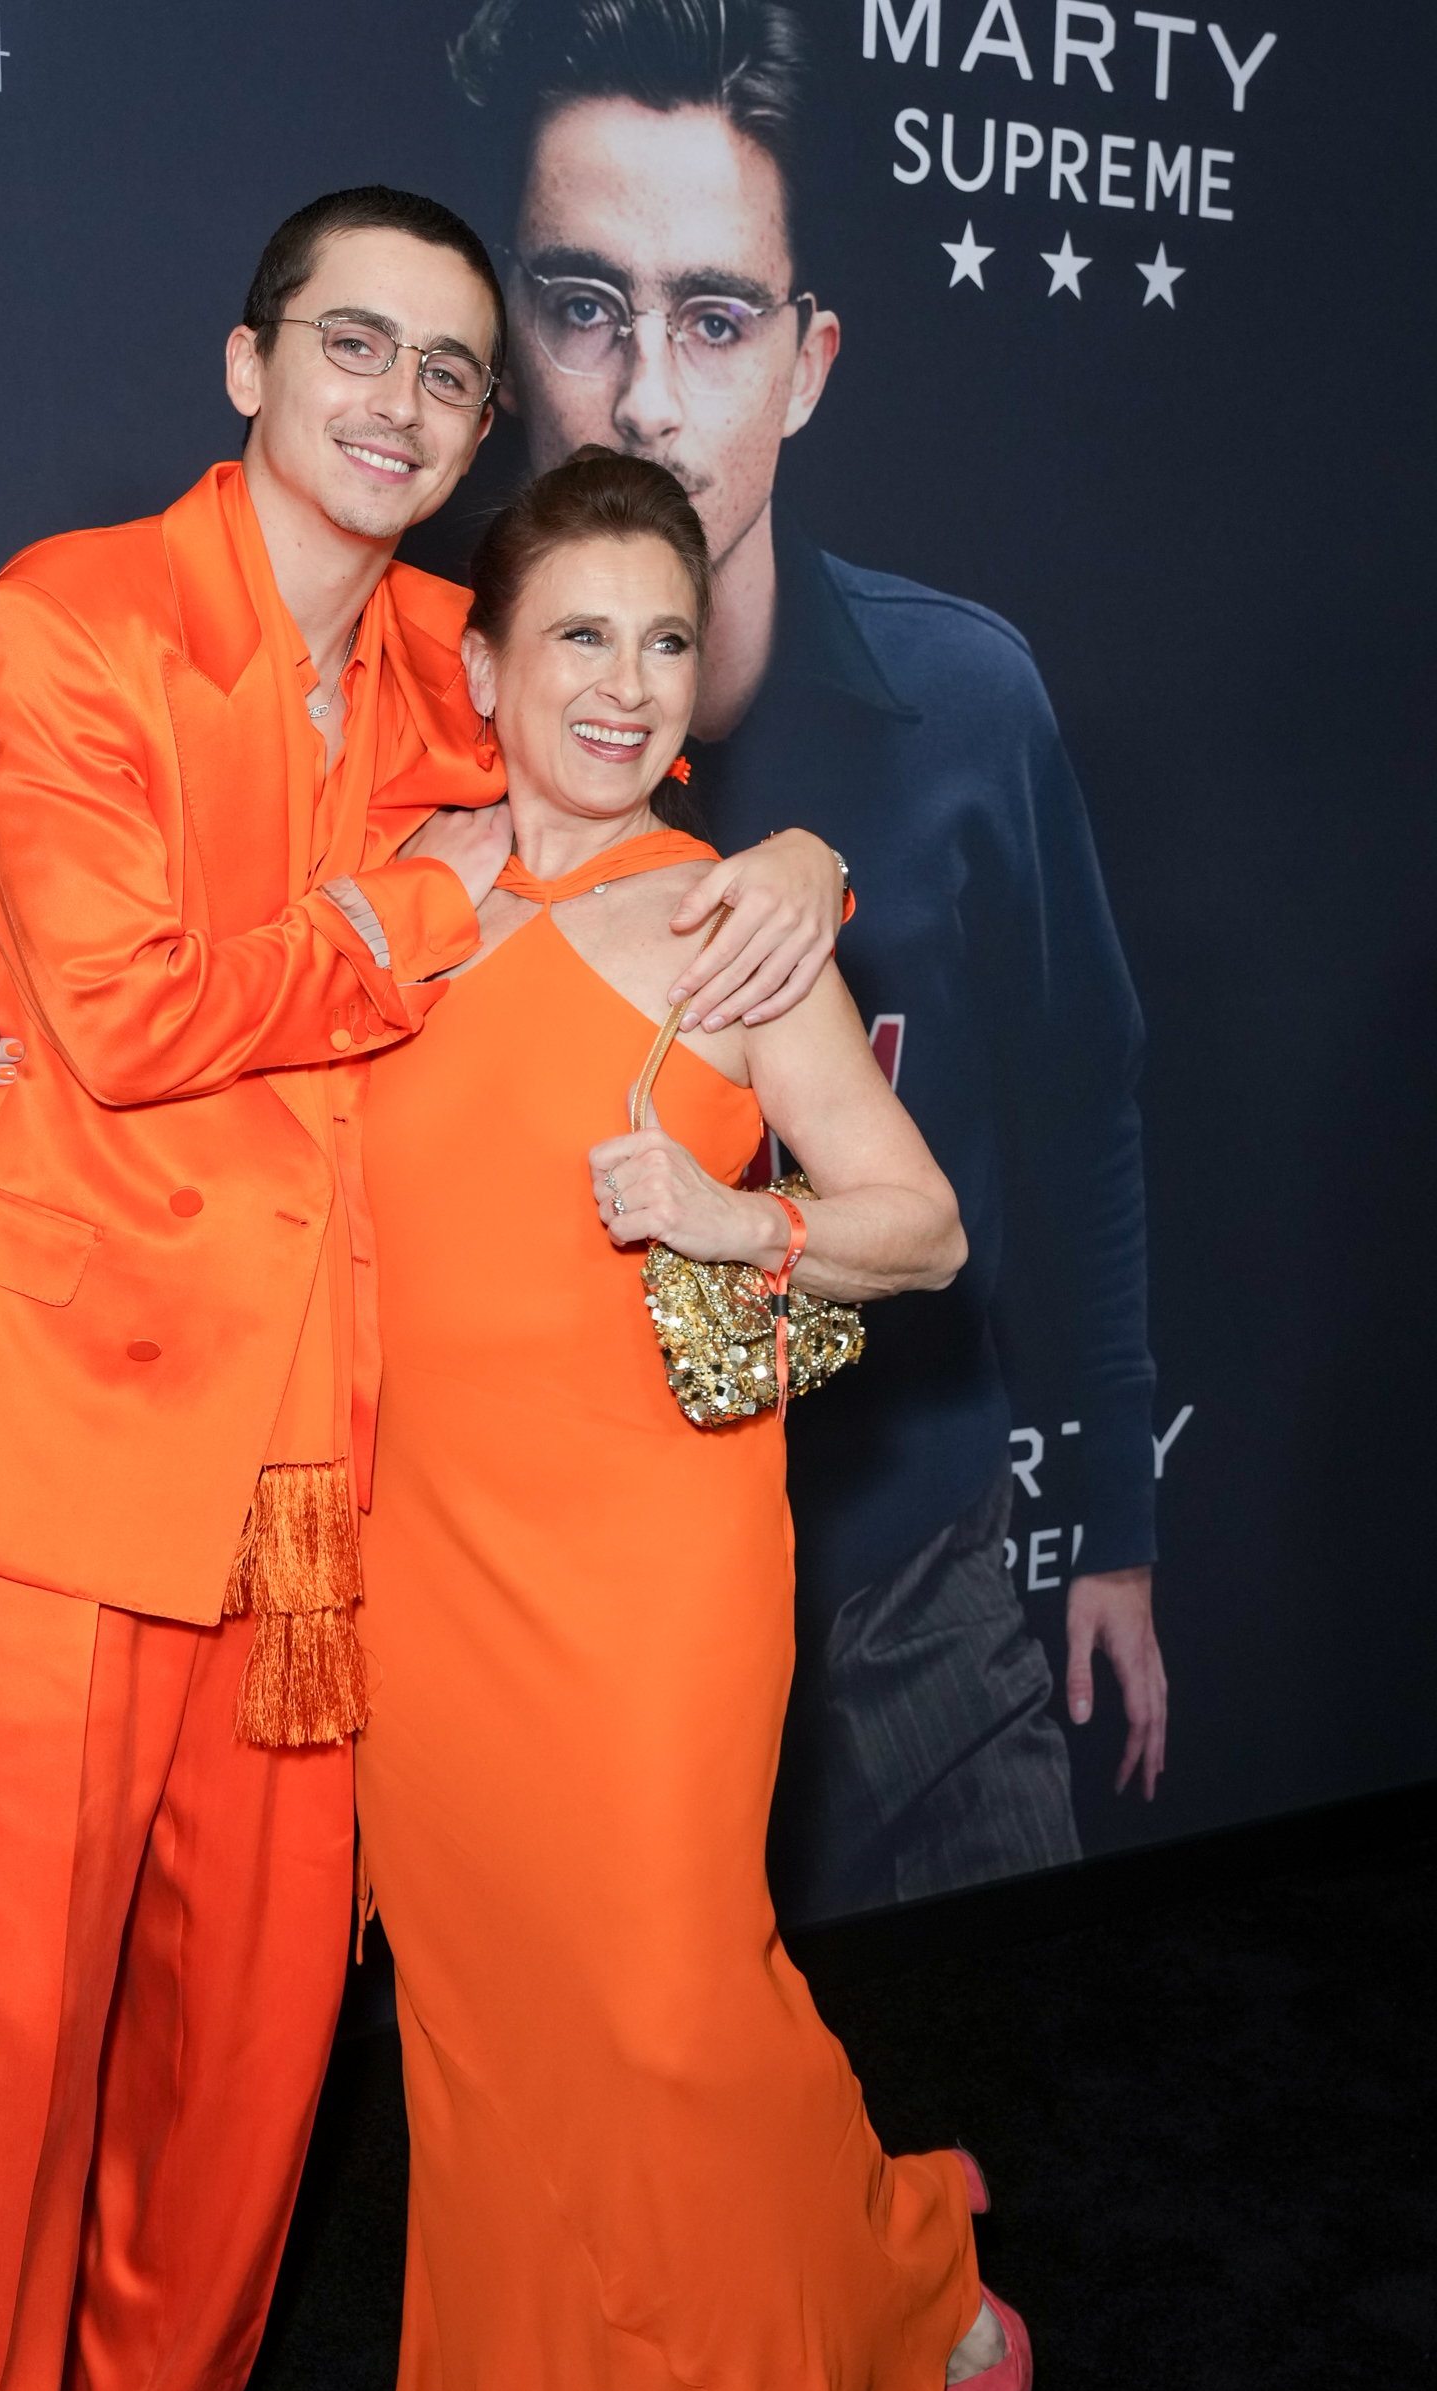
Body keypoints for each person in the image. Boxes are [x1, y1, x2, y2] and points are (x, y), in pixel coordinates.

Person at [0, 186, 845, 2391]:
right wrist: (380, 915)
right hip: (56, 1430)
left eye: (446, 373)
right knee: (3, 2061)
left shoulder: (436, 644)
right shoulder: (68, 624)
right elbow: (141, 1005)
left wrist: (796, 887)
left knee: (264, 2032)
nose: (404, 402)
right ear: (251, 359)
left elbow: (628, 795)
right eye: (356, 351)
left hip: (326, 1484)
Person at [352, 446, 1031, 2391]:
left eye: (664, 642)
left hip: (650, 1558)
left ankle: (923, 2300)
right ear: (479, 663)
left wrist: (732, 1216)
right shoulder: (395, 896)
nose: (626, 685)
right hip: (415, 1559)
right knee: (477, 2012)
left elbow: (916, 1230)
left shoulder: (728, 915)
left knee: (661, 1997)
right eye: (578, 637)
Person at [444, 0, 1169, 1924]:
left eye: (716, 317)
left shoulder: (968, 702)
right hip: (570, 1618)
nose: (651, 402)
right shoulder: (408, 729)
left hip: (921, 1600)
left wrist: (1118, 1526)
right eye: (586, 306)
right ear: (507, 342)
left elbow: (1082, 1116)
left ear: (809, 358)